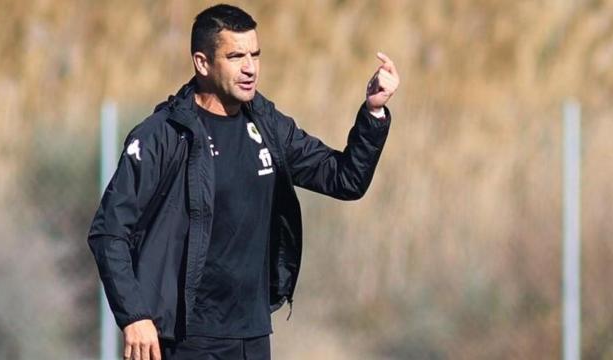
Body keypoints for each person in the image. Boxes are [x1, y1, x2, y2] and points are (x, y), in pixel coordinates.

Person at [88, 4, 399, 360]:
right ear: (202, 63)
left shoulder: (267, 125)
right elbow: (109, 232)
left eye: (255, 54)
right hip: (185, 337)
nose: (250, 68)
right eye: (235, 56)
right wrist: (135, 316)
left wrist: (373, 112)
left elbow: (344, 178)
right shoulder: (164, 135)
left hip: (251, 334)